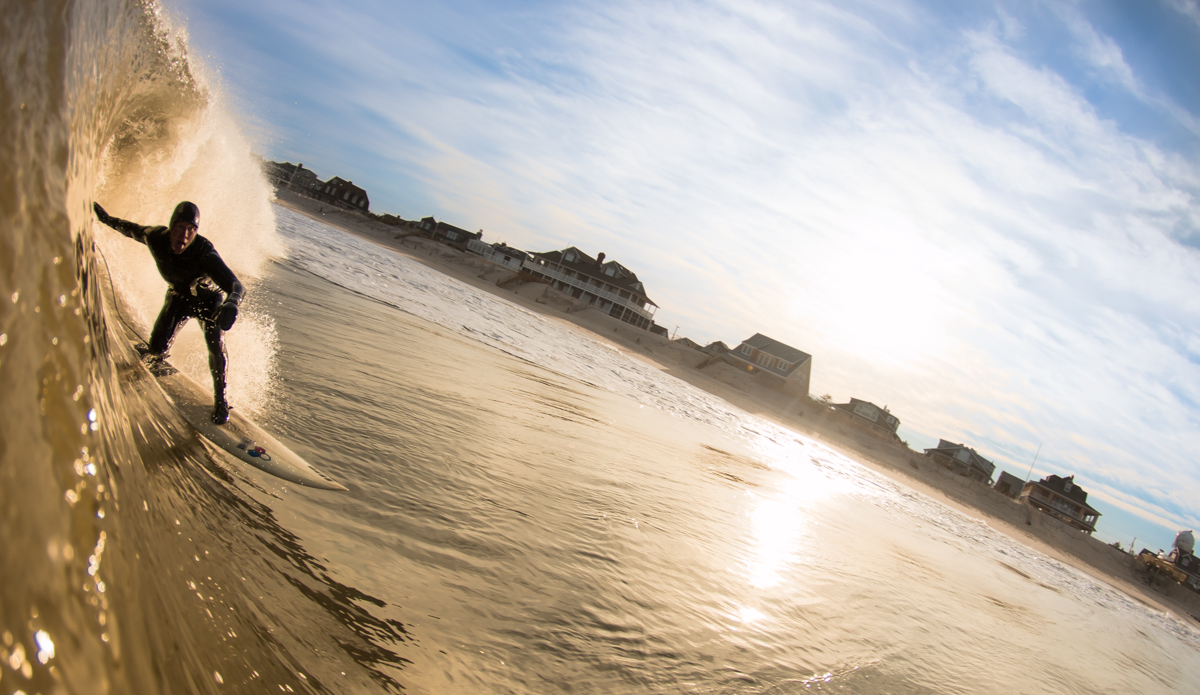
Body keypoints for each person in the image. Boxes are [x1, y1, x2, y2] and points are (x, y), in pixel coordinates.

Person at [93, 200, 245, 424]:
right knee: (156, 349)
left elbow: (236, 285)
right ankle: (156, 354)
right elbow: (130, 229)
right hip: (178, 297)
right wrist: (106, 219)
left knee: (214, 343)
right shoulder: (155, 238)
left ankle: (221, 399)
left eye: (191, 229)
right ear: (171, 226)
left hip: (208, 301)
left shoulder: (205, 254)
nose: (184, 236)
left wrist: (232, 302)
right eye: (180, 227)